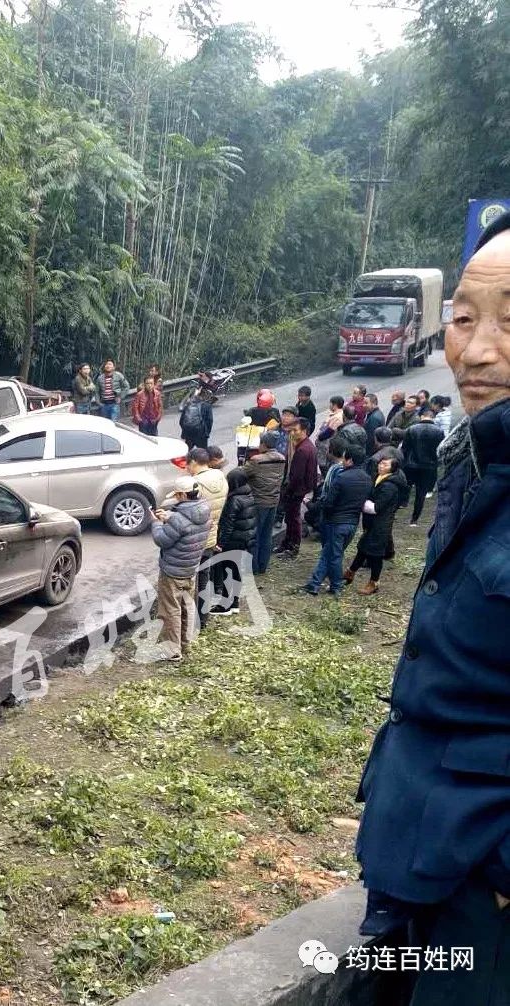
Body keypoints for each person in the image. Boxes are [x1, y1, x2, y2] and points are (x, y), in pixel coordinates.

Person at [355, 211, 510, 1004]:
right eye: (461, 319)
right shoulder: (471, 459)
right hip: (406, 863)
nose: (476, 351)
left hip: (481, 910)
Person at [149, 476, 210, 662]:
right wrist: (170, 518)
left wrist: (157, 523)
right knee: (187, 607)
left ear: (183, 494)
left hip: (172, 572)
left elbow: (162, 540)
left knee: (170, 611)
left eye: (177, 495)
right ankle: (185, 642)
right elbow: (185, 527)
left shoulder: (179, 519)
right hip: (190, 569)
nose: (175, 498)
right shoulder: (204, 512)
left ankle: (172, 651)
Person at [301, 443, 371, 597]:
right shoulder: (367, 479)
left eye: (345, 457)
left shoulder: (341, 478)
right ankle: (314, 584)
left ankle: (336, 585)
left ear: (350, 460)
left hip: (335, 523)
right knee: (330, 554)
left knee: (334, 556)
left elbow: (328, 502)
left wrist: (314, 508)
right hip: (352, 523)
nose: (342, 461)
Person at [345, 456, 408, 595]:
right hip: (373, 522)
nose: (381, 466)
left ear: (392, 468)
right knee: (363, 548)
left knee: (375, 554)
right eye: (380, 463)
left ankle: (374, 582)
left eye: (385, 465)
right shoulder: (379, 478)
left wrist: (360, 502)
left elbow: (376, 507)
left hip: (380, 524)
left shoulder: (389, 486)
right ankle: (350, 573)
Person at [187, 448, 228, 628]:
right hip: (210, 537)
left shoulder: (194, 484)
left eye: (188, 464)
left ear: (194, 462)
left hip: (194, 540)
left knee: (188, 583)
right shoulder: (221, 478)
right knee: (204, 579)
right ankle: (202, 620)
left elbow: (188, 514)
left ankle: (188, 621)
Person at [212, 467, 257, 614]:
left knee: (227, 573)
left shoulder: (234, 500)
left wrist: (220, 544)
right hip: (245, 541)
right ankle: (235, 602)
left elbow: (227, 525)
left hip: (233, 542)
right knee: (236, 573)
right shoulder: (249, 494)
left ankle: (225, 605)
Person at [243, 431, 286, 575]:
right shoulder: (281, 458)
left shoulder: (257, 460)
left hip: (258, 501)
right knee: (266, 535)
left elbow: (243, 473)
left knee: (255, 536)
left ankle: (253, 567)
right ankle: (263, 565)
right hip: (273, 501)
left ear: (263, 444)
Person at [276, 418, 318, 559]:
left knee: (293, 518)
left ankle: (293, 546)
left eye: (295, 430)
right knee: (291, 518)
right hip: (300, 488)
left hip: (297, 490)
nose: (292, 433)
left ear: (304, 431)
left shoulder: (303, 450)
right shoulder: (306, 446)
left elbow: (297, 476)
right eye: (292, 430)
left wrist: (288, 491)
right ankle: (287, 542)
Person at [401, 405, 445, 526]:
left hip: (411, 464)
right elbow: (441, 450)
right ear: (433, 418)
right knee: (421, 494)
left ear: (421, 416)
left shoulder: (412, 429)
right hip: (429, 467)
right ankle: (414, 520)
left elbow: (405, 448)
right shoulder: (439, 432)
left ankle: (402, 503)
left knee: (406, 486)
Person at [315, 395, 345, 470]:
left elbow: (329, 432)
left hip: (327, 445)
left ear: (334, 405)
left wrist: (319, 437)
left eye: (330, 404)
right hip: (327, 445)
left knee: (324, 464)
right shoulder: (337, 414)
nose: (329, 405)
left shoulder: (337, 417)